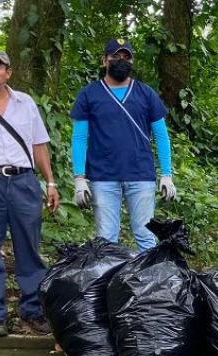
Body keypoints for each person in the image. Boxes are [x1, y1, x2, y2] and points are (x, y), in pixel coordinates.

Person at [70, 38, 175, 251]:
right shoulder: (89, 94)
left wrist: (167, 174)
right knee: (106, 240)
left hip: (140, 174)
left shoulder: (146, 93)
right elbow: (79, 138)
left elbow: (161, 135)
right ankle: (109, 274)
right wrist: (79, 178)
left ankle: (148, 274)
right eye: (115, 56)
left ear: (132, 61)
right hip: (103, 176)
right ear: (104, 60)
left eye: (126, 56)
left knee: (146, 237)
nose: (121, 60)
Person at [0, 51, 59, 335]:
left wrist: (50, 183)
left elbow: (39, 145)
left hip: (23, 181)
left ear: (8, 72)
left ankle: (32, 311)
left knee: (29, 248)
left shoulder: (26, 104)